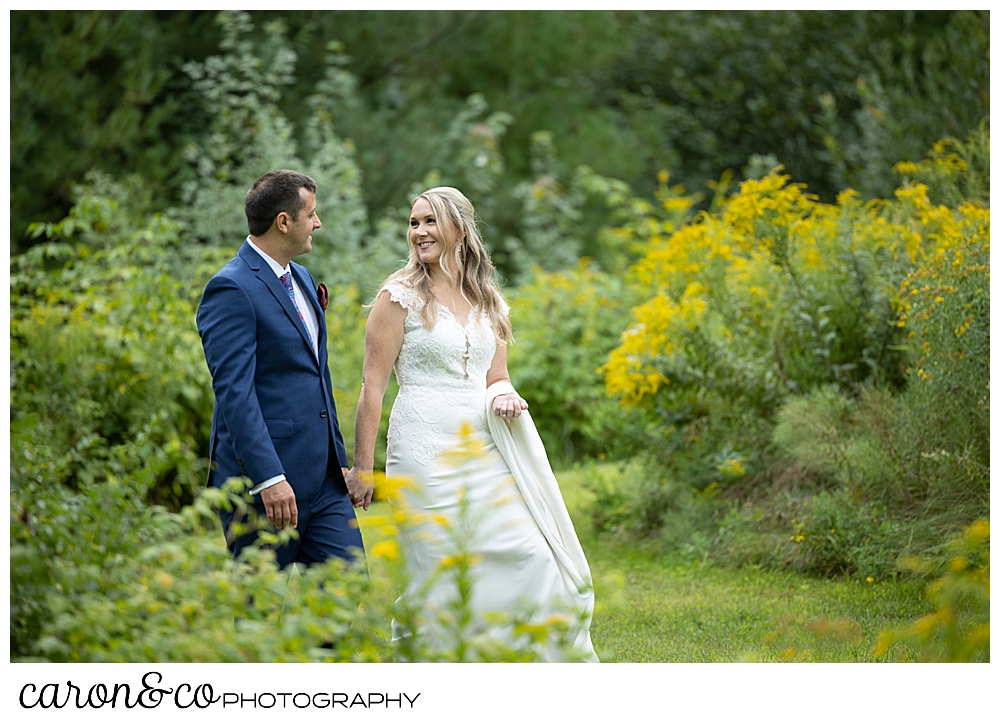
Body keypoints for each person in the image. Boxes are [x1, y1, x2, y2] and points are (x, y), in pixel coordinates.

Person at [346, 186, 597, 661]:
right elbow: (371, 388)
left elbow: (496, 377)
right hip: (422, 448)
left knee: (530, 554)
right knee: (439, 570)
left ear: (459, 228)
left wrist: (505, 399)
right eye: (414, 222)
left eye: (429, 221)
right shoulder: (396, 297)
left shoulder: (487, 299)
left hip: (484, 449)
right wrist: (363, 468)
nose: (419, 231)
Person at [197, 169, 365, 571]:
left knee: (348, 584)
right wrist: (268, 478)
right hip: (264, 485)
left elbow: (315, 374)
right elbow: (235, 394)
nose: (318, 223)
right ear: (283, 221)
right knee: (262, 612)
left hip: (324, 481)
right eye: (311, 214)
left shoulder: (302, 278)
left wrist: (336, 457)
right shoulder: (230, 288)